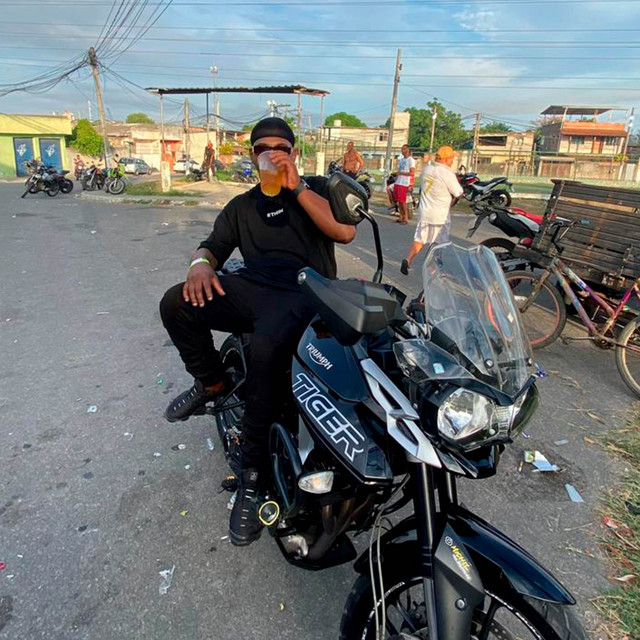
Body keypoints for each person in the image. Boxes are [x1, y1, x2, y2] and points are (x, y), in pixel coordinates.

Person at [159, 117, 356, 546]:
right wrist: (200, 265)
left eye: (281, 147)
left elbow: (344, 232)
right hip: (254, 288)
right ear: (252, 156)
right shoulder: (242, 206)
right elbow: (212, 246)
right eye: (263, 148)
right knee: (175, 302)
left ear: (294, 152)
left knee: (268, 353)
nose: (272, 153)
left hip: (309, 292)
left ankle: (252, 477)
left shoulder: (316, 189)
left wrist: (296, 187)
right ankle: (212, 383)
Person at [400, 145, 463, 275]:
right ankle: (433, 270)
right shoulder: (447, 173)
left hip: (425, 212)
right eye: (452, 159)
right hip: (440, 215)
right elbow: (458, 192)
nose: (452, 162)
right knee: (439, 244)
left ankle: (408, 259)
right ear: (446, 159)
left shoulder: (427, 169)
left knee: (419, 239)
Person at [394, 144, 416, 225]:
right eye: (402, 149)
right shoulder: (401, 160)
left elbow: (412, 173)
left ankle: (406, 217)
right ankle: (401, 216)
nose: (402, 151)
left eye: (404, 149)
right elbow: (399, 170)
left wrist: (401, 173)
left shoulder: (411, 160)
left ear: (408, 150)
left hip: (404, 182)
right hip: (398, 182)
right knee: (399, 201)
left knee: (403, 201)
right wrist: (397, 174)